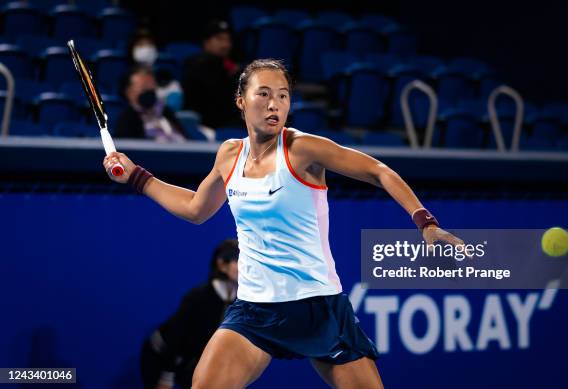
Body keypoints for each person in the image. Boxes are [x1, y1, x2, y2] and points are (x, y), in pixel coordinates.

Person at [103, 59, 464, 388]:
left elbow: (378, 171)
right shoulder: (230, 154)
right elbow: (197, 208)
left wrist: (425, 222)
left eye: (283, 95)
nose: (275, 104)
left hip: (318, 307)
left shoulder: (302, 148)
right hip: (254, 310)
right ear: (241, 100)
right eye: (263, 94)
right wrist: (137, 177)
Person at [140, 239, 239, 389]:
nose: (247, 268)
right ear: (222, 265)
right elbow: (175, 338)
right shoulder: (198, 297)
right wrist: (166, 377)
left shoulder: (237, 302)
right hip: (161, 357)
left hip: (189, 362)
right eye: (239, 261)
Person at [182, 19, 241, 128]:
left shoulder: (234, 68)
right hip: (204, 124)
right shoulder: (195, 64)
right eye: (219, 39)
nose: (225, 44)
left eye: (228, 40)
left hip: (230, 124)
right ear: (206, 43)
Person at [115, 66, 187, 142]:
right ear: (129, 92)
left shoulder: (165, 111)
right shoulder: (127, 119)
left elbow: (186, 138)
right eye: (144, 87)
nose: (149, 91)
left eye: (152, 87)